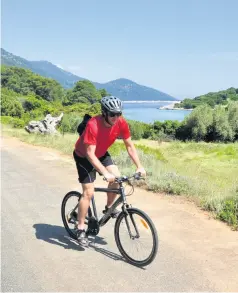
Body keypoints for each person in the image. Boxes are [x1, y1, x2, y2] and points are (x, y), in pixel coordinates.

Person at [73, 95, 146, 245]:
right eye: (112, 114)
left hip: (102, 153)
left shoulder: (121, 123)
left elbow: (129, 146)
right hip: (84, 156)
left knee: (118, 179)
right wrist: (104, 173)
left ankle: (109, 209)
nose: (116, 117)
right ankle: (80, 228)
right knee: (88, 192)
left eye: (119, 114)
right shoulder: (93, 125)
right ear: (105, 113)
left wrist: (139, 166)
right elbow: (89, 154)